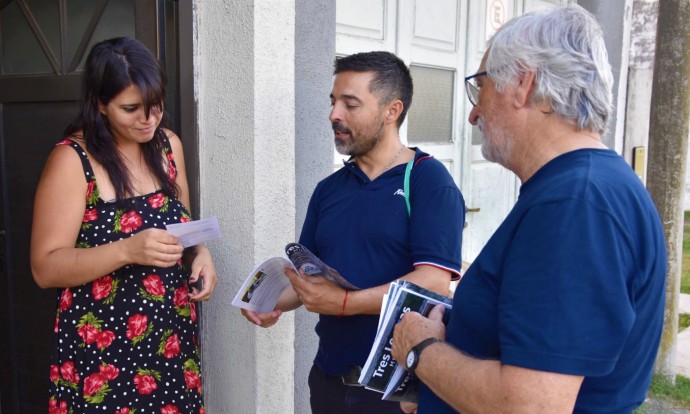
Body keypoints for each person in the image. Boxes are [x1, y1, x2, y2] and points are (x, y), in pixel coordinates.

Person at [390, 5, 667, 414]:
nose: (473, 113)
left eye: (480, 87)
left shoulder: (576, 204)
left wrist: (421, 351)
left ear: (522, 83)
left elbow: (531, 406)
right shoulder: (585, 188)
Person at [242, 51, 465, 413]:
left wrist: (345, 304)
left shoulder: (427, 180)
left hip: (395, 392)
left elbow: (432, 281)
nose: (334, 115)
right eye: (333, 103)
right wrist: (268, 304)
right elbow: (307, 279)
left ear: (392, 111)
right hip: (328, 382)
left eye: (350, 104)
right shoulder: (329, 189)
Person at [30, 37, 217, 413]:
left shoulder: (168, 145)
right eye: (131, 109)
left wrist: (201, 252)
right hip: (104, 352)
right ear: (100, 105)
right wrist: (127, 250)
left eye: (155, 106)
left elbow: (181, 221)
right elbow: (44, 268)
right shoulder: (72, 160)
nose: (148, 120)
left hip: (170, 340)